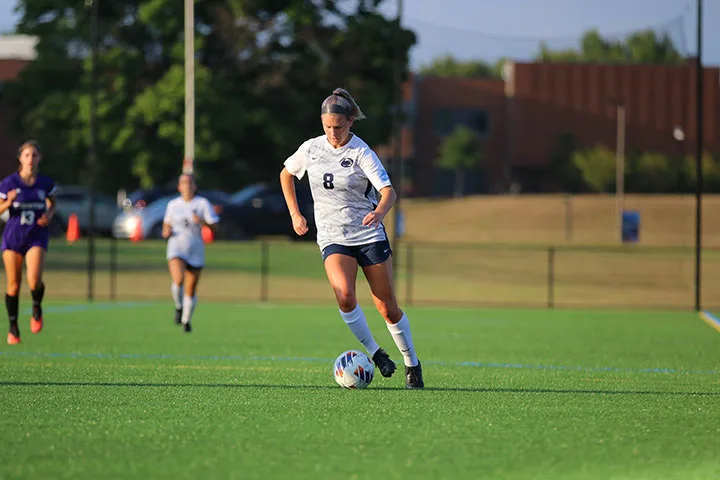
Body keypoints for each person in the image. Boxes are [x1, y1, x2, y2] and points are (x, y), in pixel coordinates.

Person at [279, 88, 424, 389]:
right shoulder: (311, 148)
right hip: (333, 236)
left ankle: (412, 363)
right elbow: (286, 174)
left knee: (387, 306)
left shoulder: (361, 152)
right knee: (344, 295)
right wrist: (295, 214)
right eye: (328, 126)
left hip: (368, 233)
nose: (333, 132)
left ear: (351, 122)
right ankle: (375, 352)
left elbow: (389, 192)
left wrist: (380, 213)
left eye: (339, 127)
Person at [0, 141, 57, 345]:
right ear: (20, 158)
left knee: (34, 280)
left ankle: (36, 306)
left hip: (36, 235)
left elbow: (52, 204)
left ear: (39, 158)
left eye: (34, 155)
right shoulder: (9, 184)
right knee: (13, 285)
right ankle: (13, 327)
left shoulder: (45, 183)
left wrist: (48, 216)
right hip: (13, 236)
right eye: (26, 155)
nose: (30, 159)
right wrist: (8, 202)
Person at [162, 173, 219, 333]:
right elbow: (166, 225)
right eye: (183, 183)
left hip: (195, 248)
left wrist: (201, 221)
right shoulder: (173, 205)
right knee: (179, 279)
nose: (187, 185)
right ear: (179, 187)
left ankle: (186, 321)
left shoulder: (202, 204)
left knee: (191, 288)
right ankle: (179, 307)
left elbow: (215, 226)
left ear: (195, 186)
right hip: (176, 246)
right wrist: (166, 232)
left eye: (189, 182)